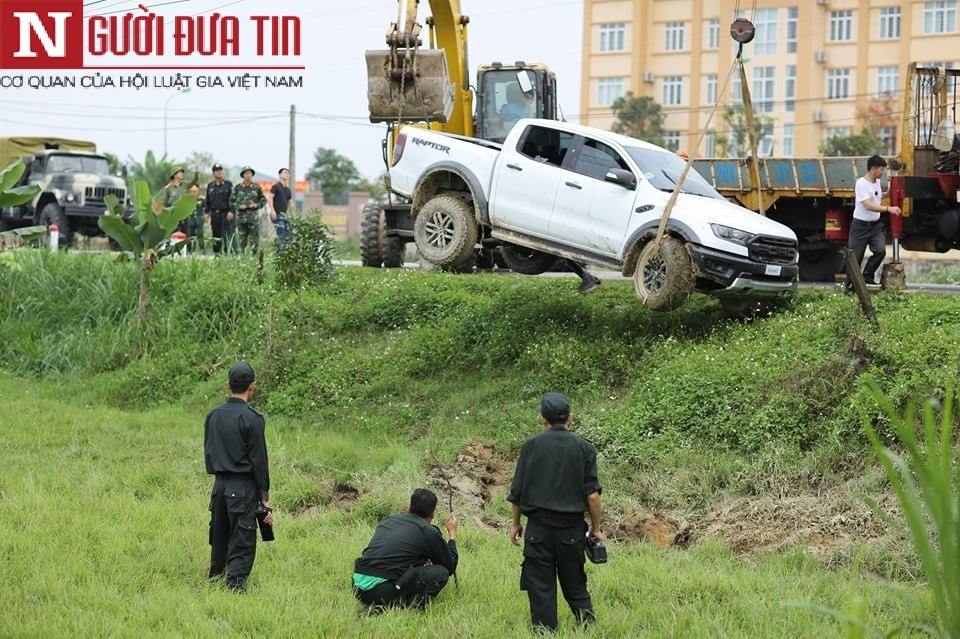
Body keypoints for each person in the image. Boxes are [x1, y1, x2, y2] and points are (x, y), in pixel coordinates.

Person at [508, 392, 602, 632]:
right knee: (576, 583)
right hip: (571, 530)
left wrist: (516, 523)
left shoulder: (531, 446)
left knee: (540, 586)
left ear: (542, 419)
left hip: (538, 529)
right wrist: (596, 529)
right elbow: (592, 495)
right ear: (570, 417)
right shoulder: (584, 447)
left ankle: (545, 632)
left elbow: (517, 491)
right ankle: (588, 629)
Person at [204, 361, 272, 592]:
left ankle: (215, 577)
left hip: (219, 487)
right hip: (242, 488)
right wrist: (264, 495)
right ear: (251, 387)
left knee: (219, 533)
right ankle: (235, 587)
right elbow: (259, 461)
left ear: (227, 386)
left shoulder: (213, 416)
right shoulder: (253, 418)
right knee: (242, 537)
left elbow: (209, 452)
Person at [352, 488, 459, 610]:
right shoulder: (428, 532)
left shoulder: (389, 520)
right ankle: (404, 604)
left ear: (409, 507)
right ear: (433, 514)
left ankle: (385, 599)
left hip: (357, 586)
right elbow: (450, 566)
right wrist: (452, 534)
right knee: (441, 572)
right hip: (380, 591)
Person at [848, 155, 901, 287]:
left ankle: (867, 276)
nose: (882, 172)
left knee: (880, 251)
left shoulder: (876, 182)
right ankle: (850, 285)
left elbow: (876, 197)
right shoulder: (861, 183)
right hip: (860, 226)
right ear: (873, 169)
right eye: (881, 169)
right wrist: (889, 208)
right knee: (855, 258)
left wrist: (887, 193)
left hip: (875, 226)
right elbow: (868, 205)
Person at [231, 166, 267, 254]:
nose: (248, 175)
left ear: (252, 175)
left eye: (250, 173)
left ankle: (253, 259)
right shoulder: (237, 188)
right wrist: (238, 206)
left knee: (254, 241)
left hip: (253, 219)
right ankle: (242, 259)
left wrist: (257, 205)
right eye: (246, 173)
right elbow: (232, 201)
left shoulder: (257, 187)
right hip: (241, 219)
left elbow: (263, 200)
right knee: (242, 241)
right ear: (243, 175)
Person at [206, 163, 234, 255]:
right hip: (214, 214)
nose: (219, 172)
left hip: (225, 213)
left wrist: (231, 211)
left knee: (226, 235)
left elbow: (232, 199)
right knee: (216, 235)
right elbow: (207, 201)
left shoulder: (228, 185)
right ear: (213, 173)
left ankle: (228, 254)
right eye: (217, 171)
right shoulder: (210, 186)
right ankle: (217, 254)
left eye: (220, 170)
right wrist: (206, 213)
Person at [269, 168, 293, 246]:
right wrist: (272, 211)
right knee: (281, 236)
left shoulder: (288, 190)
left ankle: (285, 255)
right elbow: (269, 198)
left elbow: (290, 203)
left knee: (288, 236)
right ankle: (279, 254)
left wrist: (294, 216)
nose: (287, 174)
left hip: (285, 216)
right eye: (285, 172)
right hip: (277, 215)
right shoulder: (275, 187)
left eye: (288, 173)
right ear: (280, 175)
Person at [183, 183, 206, 254]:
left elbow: (206, 208)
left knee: (200, 234)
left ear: (198, 191)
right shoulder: (187, 200)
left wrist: (206, 216)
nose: (193, 193)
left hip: (199, 219)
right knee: (190, 236)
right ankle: (189, 251)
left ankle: (202, 249)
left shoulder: (202, 199)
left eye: (195, 191)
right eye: (192, 191)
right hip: (191, 219)